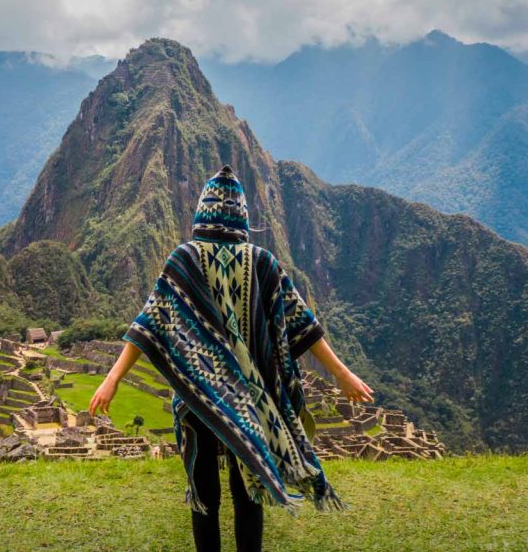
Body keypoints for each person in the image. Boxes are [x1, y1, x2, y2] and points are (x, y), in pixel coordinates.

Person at [89, 165, 374, 551]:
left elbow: (148, 324)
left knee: (204, 493)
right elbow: (305, 325)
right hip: (252, 401)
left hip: (197, 397)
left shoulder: (184, 261)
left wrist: (113, 378)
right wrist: (342, 374)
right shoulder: (262, 263)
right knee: (248, 490)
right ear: (242, 214)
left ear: (202, 211)